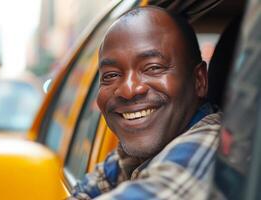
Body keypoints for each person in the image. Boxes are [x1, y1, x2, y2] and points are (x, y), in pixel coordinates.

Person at [70, 6, 222, 200]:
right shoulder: (130, 156)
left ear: (199, 80)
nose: (128, 90)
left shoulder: (209, 147)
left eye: (153, 68)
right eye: (111, 75)